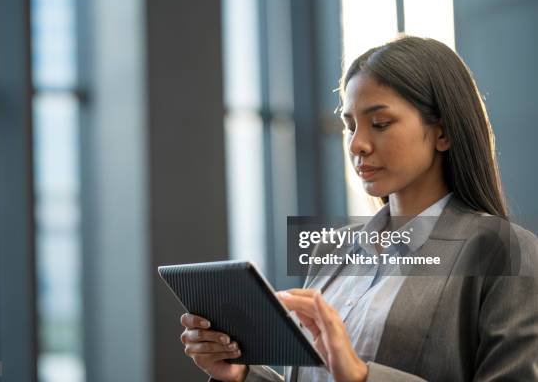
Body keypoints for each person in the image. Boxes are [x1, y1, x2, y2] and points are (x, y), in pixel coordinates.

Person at [179, 36, 538, 381]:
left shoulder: (501, 251)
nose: (358, 144)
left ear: (442, 132)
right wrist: (242, 374)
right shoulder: (331, 248)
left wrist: (362, 376)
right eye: (349, 126)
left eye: (380, 124)